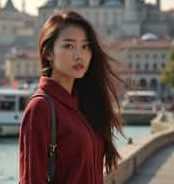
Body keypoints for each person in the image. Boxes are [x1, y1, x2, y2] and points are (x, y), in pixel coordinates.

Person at [19, 11, 123, 184]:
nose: (79, 55)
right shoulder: (40, 107)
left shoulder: (84, 105)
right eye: (69, 46)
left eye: (85, 46)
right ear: (48, 54)